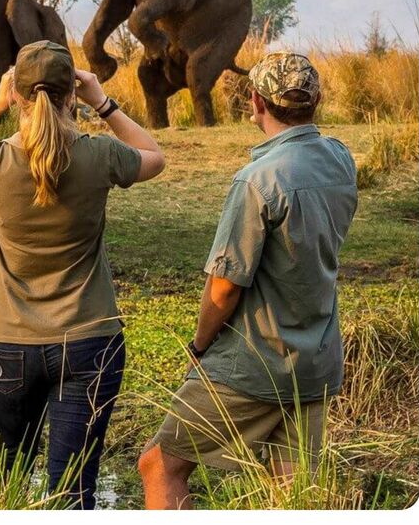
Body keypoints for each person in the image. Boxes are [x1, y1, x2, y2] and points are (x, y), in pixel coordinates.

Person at [0, 41, 167, 509]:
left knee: (7, 477)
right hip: (89, 339)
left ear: (18, 95)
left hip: (10, 342)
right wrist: (102, 102)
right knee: (74, 487)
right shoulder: (99, 155)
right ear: (70, 96)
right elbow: (153, 155)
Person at [138, 53, 357, 509]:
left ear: (255, 102)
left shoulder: (257, 180)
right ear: (315, 100)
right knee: (293, 492)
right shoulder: (340, 159)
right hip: (316, 360)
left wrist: (199, 347)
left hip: (255, 362)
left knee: (160, 464)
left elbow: (224, 287)